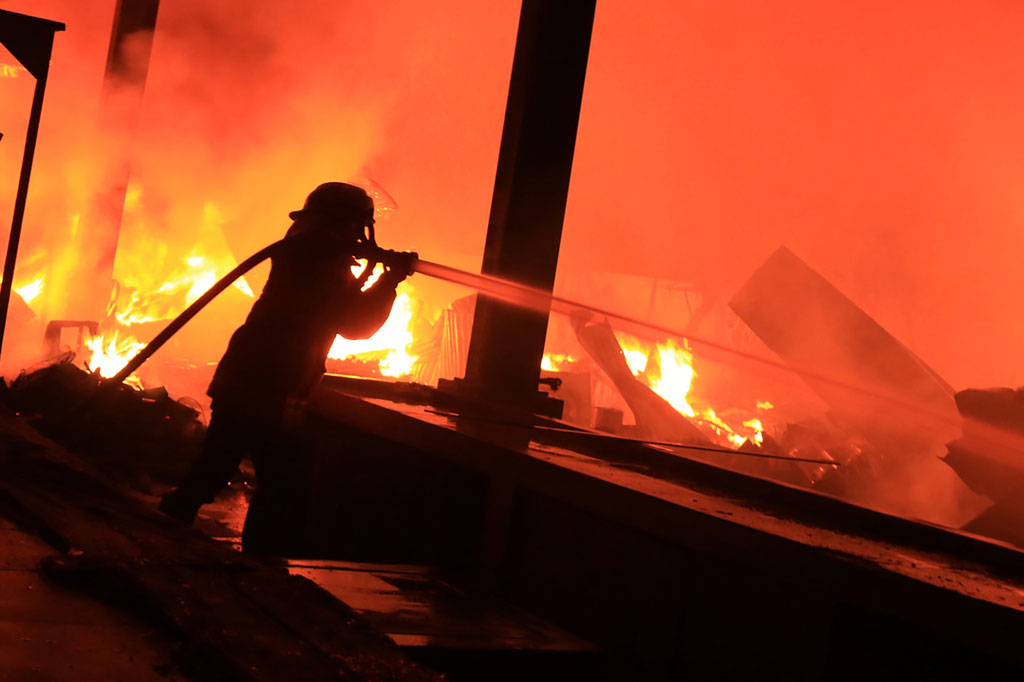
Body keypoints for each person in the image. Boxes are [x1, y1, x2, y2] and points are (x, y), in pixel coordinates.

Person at [159, 182, 413, 551]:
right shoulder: (312, 260)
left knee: (229, 465)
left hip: (264, 379)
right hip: (265, 382)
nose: (359, 236)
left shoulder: (313, 255)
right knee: (272, 477)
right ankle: (252, 561)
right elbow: (354, 324)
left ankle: (183, 527)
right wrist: (390, 279)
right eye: (356, 226)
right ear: (342, 224)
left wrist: (384, 276)